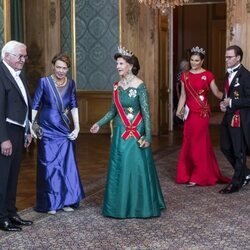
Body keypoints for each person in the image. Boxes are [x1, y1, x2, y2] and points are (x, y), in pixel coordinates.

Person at [90, 46, 166, 219]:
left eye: (121, 63)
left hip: (136, 132)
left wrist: (147, 136)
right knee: (120, 167)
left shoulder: (140, 85)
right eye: (117, 63)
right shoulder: (116, 86)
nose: (117, 67)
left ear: (130, 65)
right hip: (120, 132)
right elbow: (112, 111)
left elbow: (146, 113)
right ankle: (119, 206)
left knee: (136, 167)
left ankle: (141, 206)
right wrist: (99, 124)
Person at [32, 53, 85, 214]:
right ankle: (51, 203)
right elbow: (35, 105)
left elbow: (74, 105)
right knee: (49, 166)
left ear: (68, 69)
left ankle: (67, 200)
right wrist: (30, 127)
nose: (61, 71)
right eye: (58, 67)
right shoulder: (44, 82)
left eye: (64, 68)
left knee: (66, 166)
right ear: (53, 66)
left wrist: (77, 127)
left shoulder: (71, 84)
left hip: (64, 130)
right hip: (46, 129)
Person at [176, 46, 230, 187]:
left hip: (201, 114)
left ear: (202, 61)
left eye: (197, 60)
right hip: (189, 113)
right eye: (192, 60)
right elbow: (183, 95)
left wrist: (227, 99)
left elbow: (216, 92)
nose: (194, 63)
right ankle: (186, 174)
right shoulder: (185, 75)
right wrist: (179, 109)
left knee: (198, 143)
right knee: (188, 141)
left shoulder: (208, 75)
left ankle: (198, 176)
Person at [0, 40, 33, 231]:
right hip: (6, 132)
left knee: (13, 176)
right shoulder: (1, 73)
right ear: (7, 56)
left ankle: (11, 212)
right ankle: (1, 217)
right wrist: (3, 138)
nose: (23, 60)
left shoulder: (19, 74)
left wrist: (28, 129)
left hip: (19, 131)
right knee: (3, 176)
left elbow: (24, 104)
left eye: (24, 56)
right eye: (20, 56)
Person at [219, 45, 250, 194]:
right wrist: (224, 104)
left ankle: (236, 183)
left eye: (229, 57)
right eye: (226, 57)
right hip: (228, 116)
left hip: (239, 118)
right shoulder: (227, 74)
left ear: (238, 58)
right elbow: (227, 94)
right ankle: (245, 173)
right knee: (224, 147)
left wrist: (231, 102)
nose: (226, 60)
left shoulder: (246, 76)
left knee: (239, 152)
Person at [174, 59, 189, 125]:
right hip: (181, 92)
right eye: (187, 65)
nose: (188, 67)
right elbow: (177, 85)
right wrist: (178, 94)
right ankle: (180, 122)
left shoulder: (188, 73)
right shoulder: (180, 74)